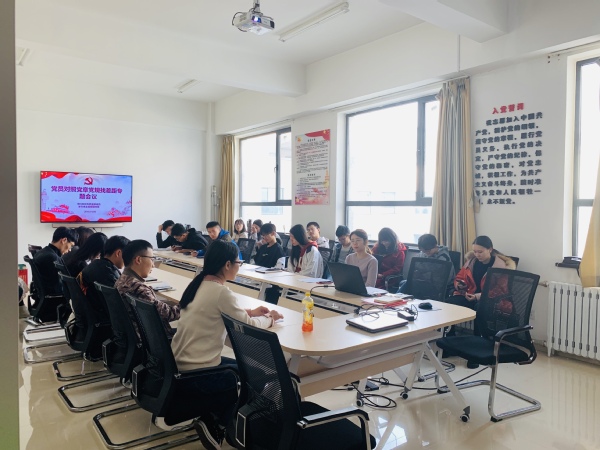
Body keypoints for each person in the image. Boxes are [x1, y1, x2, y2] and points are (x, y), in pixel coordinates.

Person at [171, 240, 283, 448]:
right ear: (227, 264)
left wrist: (250, 312)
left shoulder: (199, 283)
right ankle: (217, 423)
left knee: (242, 368)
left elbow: (219, 310)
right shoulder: (221, 292)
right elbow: (249, 326)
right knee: (253, 377)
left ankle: (214, 415)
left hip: (179, 362)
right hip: (198, 370)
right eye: (238, 262)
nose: (239, 266)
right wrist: (271, 318)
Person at [446, 235, 515, 368]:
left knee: (480, 308)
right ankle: (450, 342)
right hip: (470, 295)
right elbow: (459, 277)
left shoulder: (500, 266)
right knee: (449, 303)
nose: (477, 255)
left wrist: (477, 296)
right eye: (475, 251)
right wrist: (460, 285)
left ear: (490, 249)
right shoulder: (471, 262)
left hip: (490, 300)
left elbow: (500, 291)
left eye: (480, 252)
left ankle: (476, 351)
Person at [114, 239, 180, 337]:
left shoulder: (122, 279)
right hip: (153, 339)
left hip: (136, 336)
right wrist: (189, 302)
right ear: (138, 260)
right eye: (152, 259)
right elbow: (169, 314)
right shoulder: (138, 288)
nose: (153, 265)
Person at [79, 235, 130, 323]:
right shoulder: (108, 273)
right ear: (118, 253)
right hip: (104, 320)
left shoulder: (95, 264)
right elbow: (120, 306)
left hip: (91, 316)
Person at [33, 227, 78, 295]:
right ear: (64, 240)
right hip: (54, 297)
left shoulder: (43, 252)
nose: (70, 250)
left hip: (42, 294)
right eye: (71, 246)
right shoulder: (52, 257)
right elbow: (60, 285)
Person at [254, 223, 286, 304]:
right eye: (263, 236)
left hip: (270, 283)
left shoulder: (278, 249)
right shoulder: (263, 247)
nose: (264, 237)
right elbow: (256, 262)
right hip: (259, 279)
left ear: (273, 234)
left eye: (266, 235)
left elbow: (279, 268)